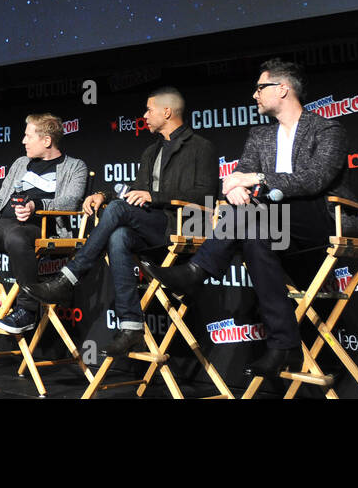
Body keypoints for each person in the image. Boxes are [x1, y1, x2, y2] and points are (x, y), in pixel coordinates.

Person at [153, 58, 358, 377]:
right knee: (254, 238)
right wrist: (233, 186)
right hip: (268, 222)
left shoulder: (327, 129)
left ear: (283, 88)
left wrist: (256, 181)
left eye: (260, 88)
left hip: (319, 219)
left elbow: (314, 179)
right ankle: (284, 345)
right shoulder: (260, 136)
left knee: (252, 217)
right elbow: (238, 175)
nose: (255, 95)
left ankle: (197, 269)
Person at [25, 87, 216, 355]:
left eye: (149, 109)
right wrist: (102, 195)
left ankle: (69, 278)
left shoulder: (201, 147)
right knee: (118, 235)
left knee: (117, 212)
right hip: (152, 224)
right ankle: (132, 327)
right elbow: (134, 193)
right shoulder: (151, 151)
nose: (145, 115)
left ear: (167, 111)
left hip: (181, 225)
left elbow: (205, 195)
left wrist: (155, 195)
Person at [0, 113, 88, 335]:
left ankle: (27, 310)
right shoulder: (21, 163)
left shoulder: (75, 167)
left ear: (47, 141)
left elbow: (71, 202)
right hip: (3, 223)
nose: (23, 141)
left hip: (39, 228)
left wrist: (35, 205)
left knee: (16, 237)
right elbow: (1, 197)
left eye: (28, 136)